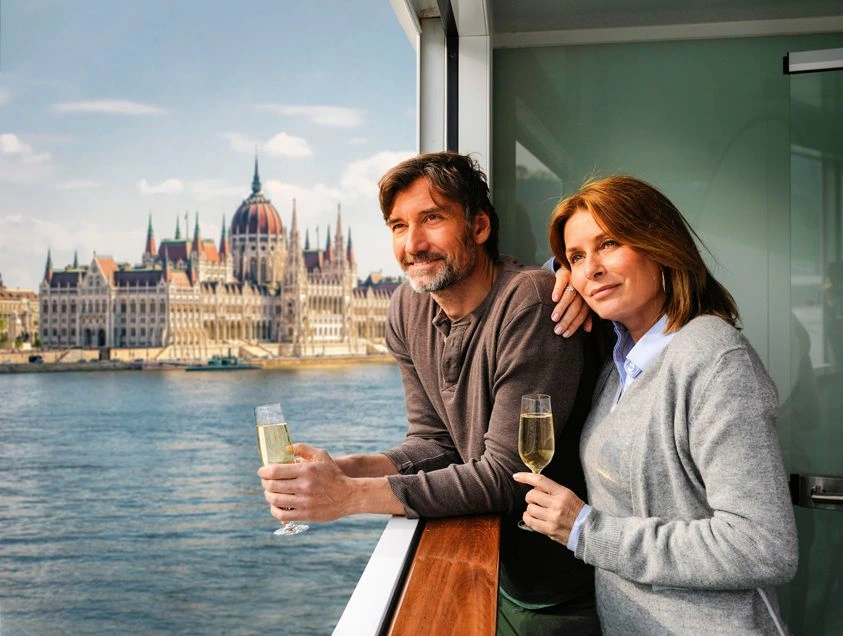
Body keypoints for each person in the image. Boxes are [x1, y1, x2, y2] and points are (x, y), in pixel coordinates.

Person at [258, 151, 600, 633]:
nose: (412, 244)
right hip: (492, 571)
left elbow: (506, 476)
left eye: (431, 219)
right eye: (398, 226)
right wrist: (342, 468)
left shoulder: (529, 301)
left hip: (561, 590)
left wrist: (350, 496)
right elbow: (433, 442)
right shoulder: (406, 309)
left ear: (479, 227)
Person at [515, 175, 798, 635]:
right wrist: (560, 271)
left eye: (609, 243)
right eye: (577, 257)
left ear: (658, 244)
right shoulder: (621, 362)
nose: (591, 270)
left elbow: (762, 545)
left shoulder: (712, 357)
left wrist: (588, 530)